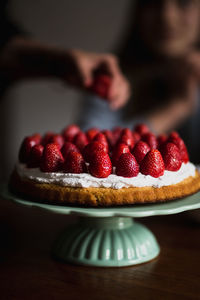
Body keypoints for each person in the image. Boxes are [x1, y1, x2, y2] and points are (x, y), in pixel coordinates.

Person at [78, 0, 200, 163]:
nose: (167, 17)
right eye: (155, 4)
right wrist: (177, 107)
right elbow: (90, 147)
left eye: (184, 3)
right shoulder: (111, 75)